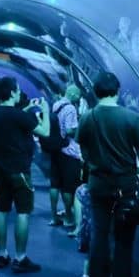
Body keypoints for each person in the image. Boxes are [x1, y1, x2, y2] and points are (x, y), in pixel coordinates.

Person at [77, 72, 139, 277]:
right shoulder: (131, 118)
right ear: (118, 90)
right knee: (124, 240)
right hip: (125, 188)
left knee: (99, 237)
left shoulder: (87, 118)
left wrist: (94, 165)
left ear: (95, 91)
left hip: (98, 186)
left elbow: (83, 150)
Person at [0, 77, 50, 273]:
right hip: (20, 170)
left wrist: (24, 111)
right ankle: (20, 257)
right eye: (18, 90)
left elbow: (11, 118)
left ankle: (2, 254)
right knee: (22, 212)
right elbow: (45, 132)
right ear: (12, 92)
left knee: (2, 210)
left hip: (0, 169)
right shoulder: (19, 116)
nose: (19, 93)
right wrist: (45, 112)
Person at [47, 85, 84, 231]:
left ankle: (54, 216)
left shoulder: (56, 105)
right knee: (69, 187)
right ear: (73, 94)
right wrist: (80, 128)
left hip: (56, 149)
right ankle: (68, 217)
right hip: (69, 152)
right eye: (79, 95)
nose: (80, 98)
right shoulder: (71, 109)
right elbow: (69, 130)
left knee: (55, 184)